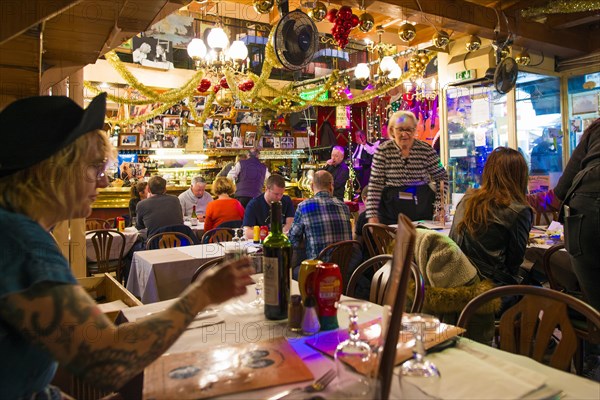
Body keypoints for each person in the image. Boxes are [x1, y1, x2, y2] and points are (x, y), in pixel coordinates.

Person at [0, 93, 254, 399]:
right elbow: (107, 362)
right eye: (94, 168)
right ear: (54, 170)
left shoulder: (14, 230)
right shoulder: (22, 243)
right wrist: (203, 294)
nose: (104, 182)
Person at [449, 147, 533, 286]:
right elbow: (514, 265)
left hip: (457, 279)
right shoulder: (519, 211)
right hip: (491, 288)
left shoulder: (468, 198)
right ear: (521, 175)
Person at [366, 110, 448, 224]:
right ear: (392, 130)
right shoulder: (383, 150)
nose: (404, 134)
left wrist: (439, 208)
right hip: (391, 211)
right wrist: (372, 215)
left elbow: (442, 177)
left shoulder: (426, 150)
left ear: (415, 130)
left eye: (409, 129)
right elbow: (375, 184)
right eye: (400, 129)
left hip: (422, 207)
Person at [554, 118, 600, 310]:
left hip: (584, 211)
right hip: (585, 207)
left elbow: (560, 191)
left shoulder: (596, 129)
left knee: (593, 305)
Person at [288, 170, 353, 265]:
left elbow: (293, 239)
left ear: (311, 186)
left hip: (317, 271)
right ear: (331, 186)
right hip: (342, 270)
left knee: (292, 271)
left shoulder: (304, 206)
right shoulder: (344, 207)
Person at [242, 174, 295, 239]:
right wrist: (274, 235)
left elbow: (290, 224)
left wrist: (278, 236)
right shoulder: (253, 205)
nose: (279, 197)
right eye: (276, 194)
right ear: (266, 189)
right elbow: (247, 233)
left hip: (280, 241)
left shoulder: (286, 200)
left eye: (281, 194)